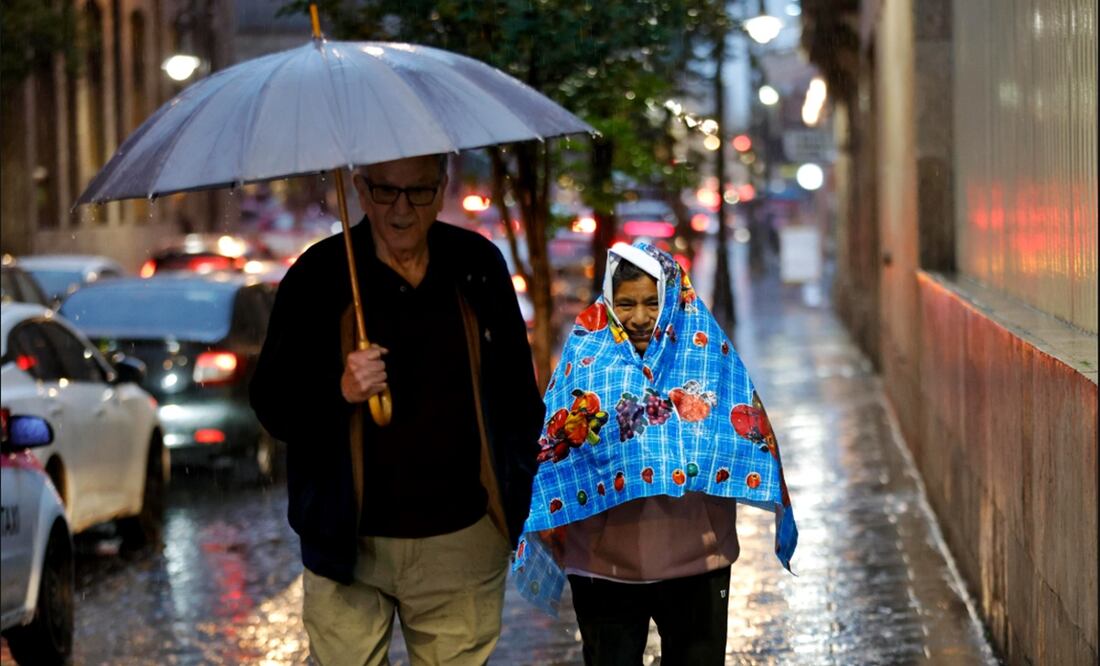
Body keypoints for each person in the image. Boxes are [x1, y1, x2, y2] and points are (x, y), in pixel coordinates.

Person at [250, 153, 545, 665]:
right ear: (361, 192)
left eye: (420, 191)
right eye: (386, 191)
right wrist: (338, 389)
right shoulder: (319, 276)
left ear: (443, 187)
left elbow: (519, 399)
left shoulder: (476, 267)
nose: (402, 210)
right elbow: (273, 404)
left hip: (462, 537)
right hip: (348, 541)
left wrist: (513, 505)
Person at [512, 242, 797, 666]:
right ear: (609, 301)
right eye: (626, 303)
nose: (641, 318)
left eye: (652, 302)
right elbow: (556, 454)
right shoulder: (585, 357)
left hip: (697, 563)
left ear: (672, 300)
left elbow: (742, 433)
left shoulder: (706, 353)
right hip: (603, 570)